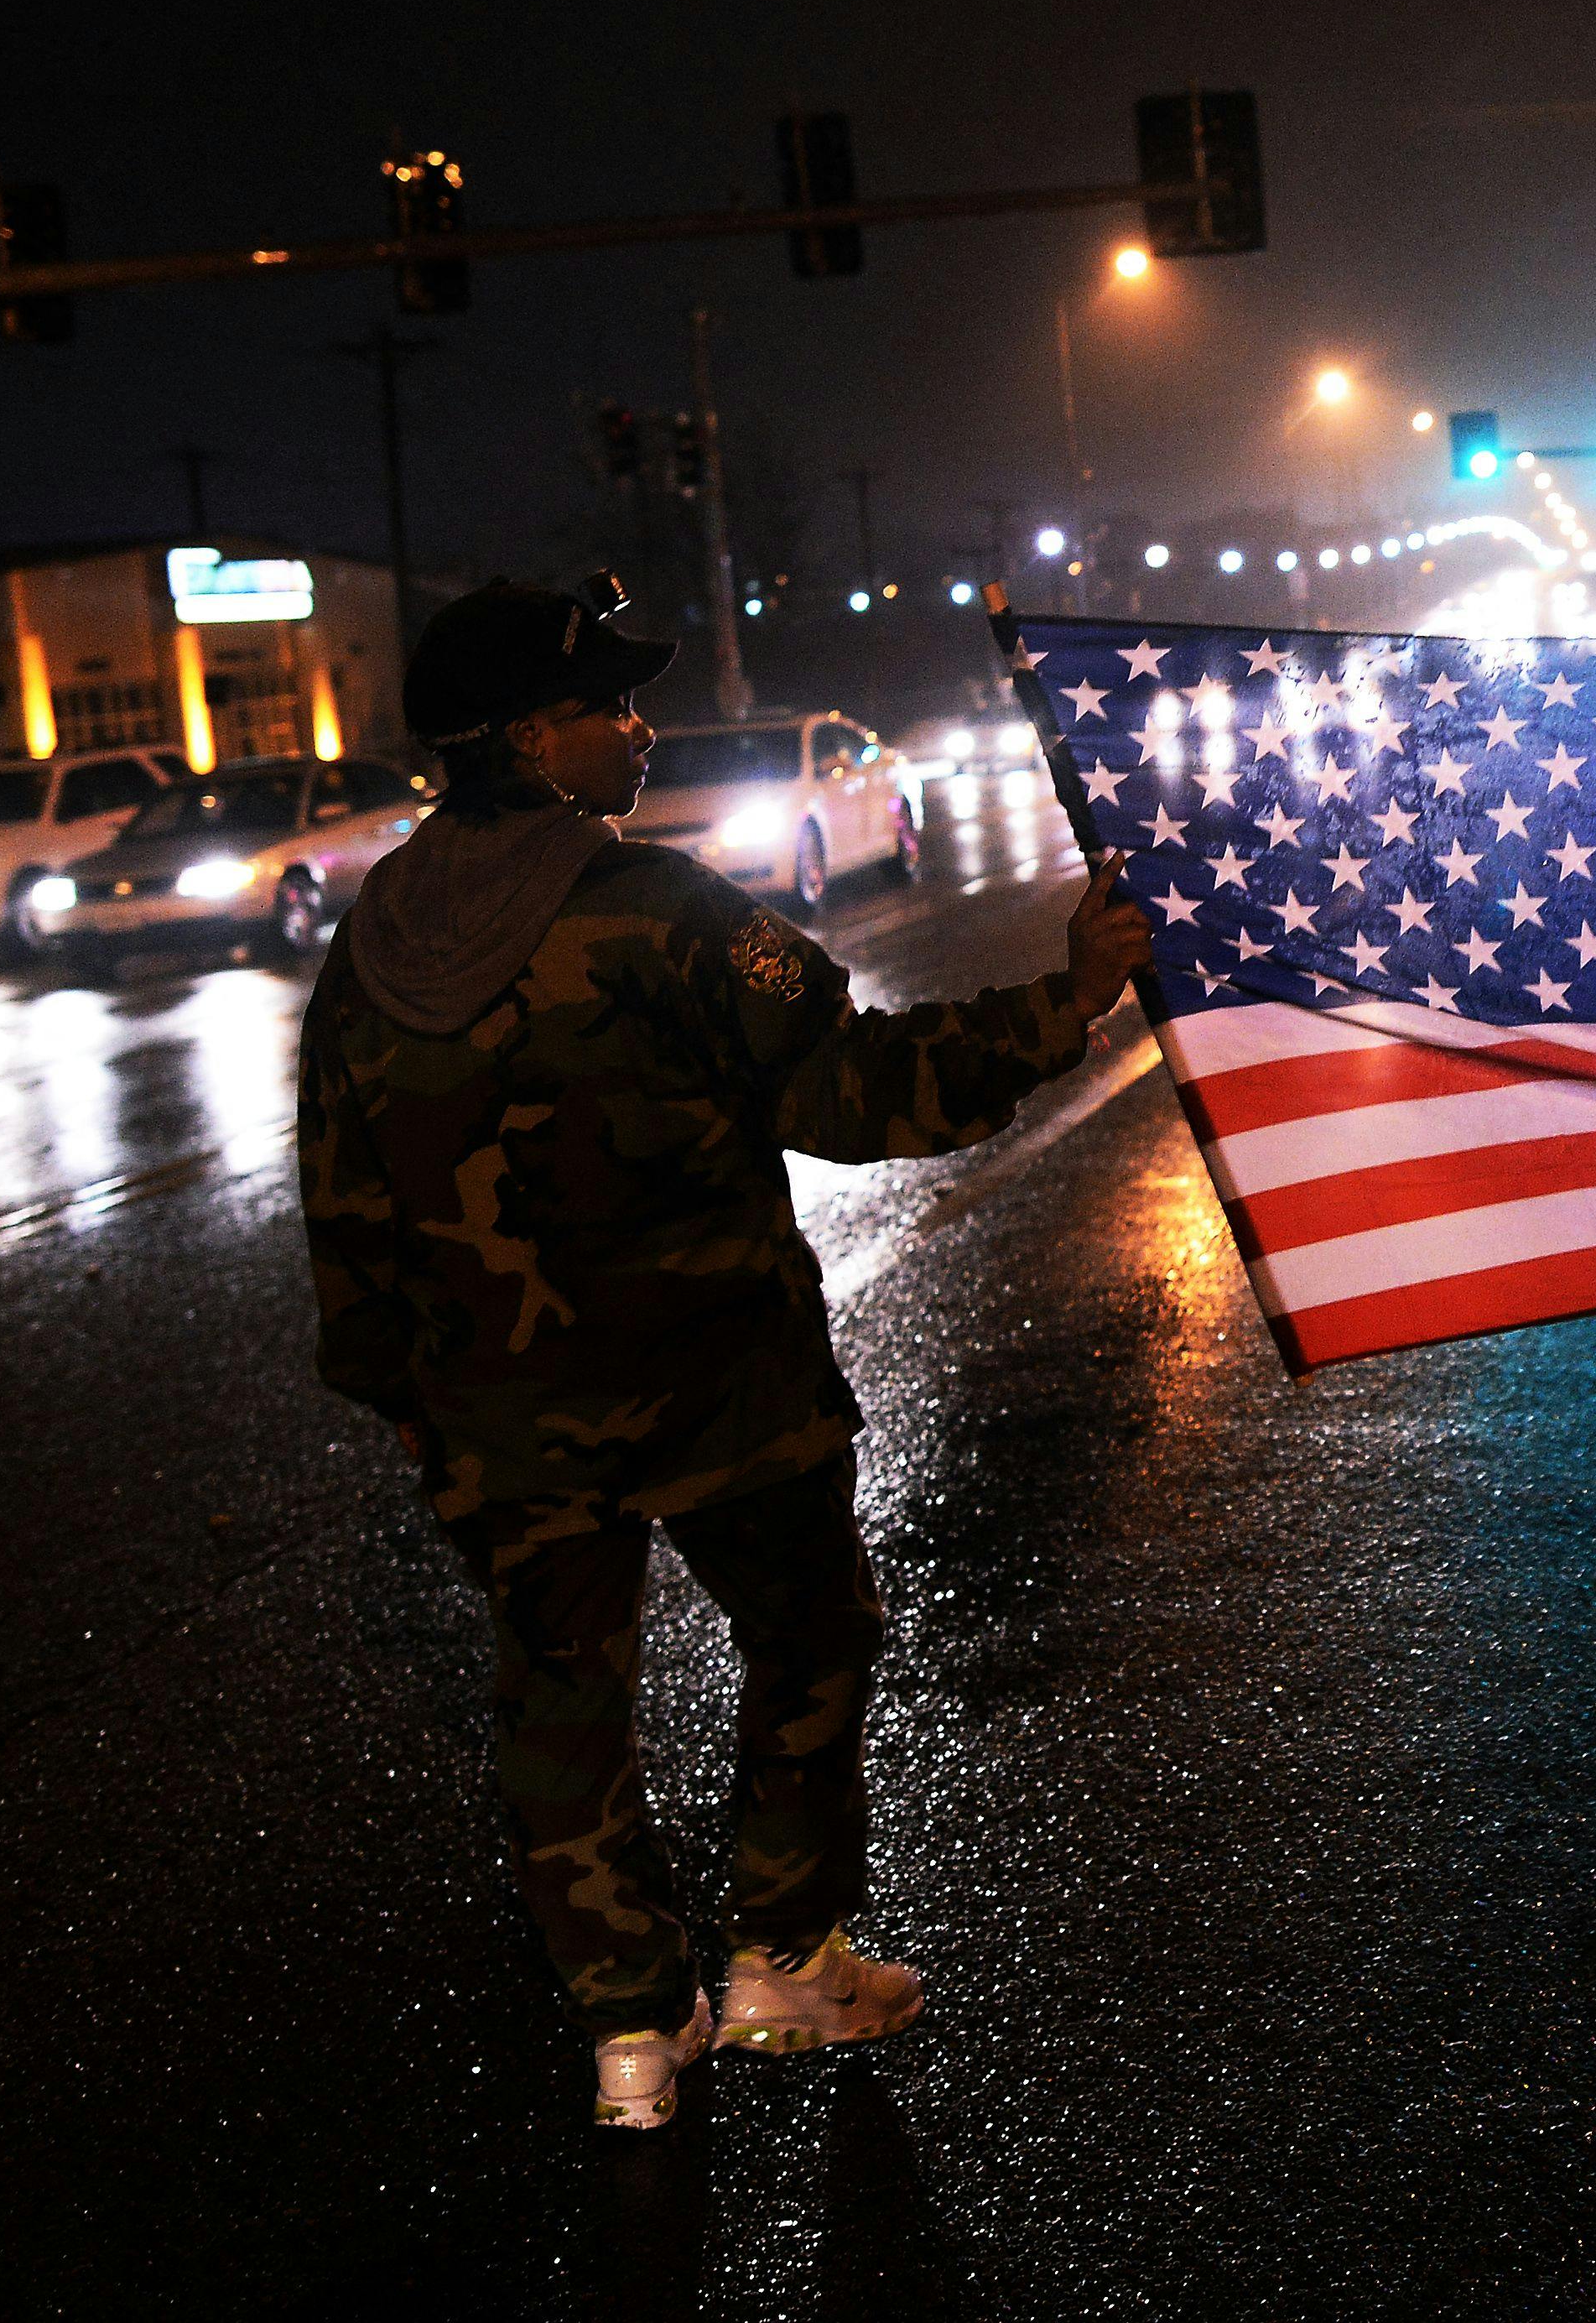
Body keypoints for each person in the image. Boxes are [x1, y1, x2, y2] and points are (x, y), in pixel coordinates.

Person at [297, 577, 1153, 2132]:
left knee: (560, 1701)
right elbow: (857, 1094)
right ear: (527, 740)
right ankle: (784, 1956)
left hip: (501, 1418)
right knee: (811, 1642)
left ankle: (629, 2034)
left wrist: (414, 1410)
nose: (638, 728)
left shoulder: (373, 948)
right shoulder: (659, 914)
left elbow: (342, 1215)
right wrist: (1068, 998)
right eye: (607, 707)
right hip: (720, 1388)